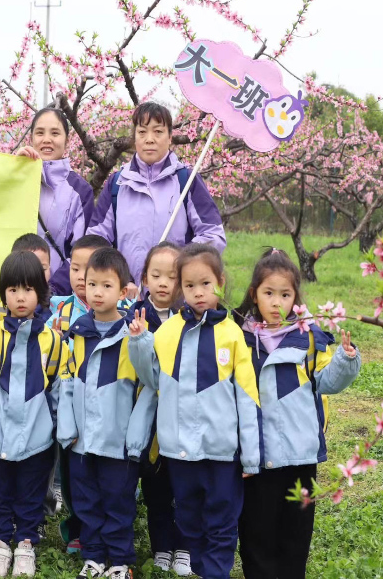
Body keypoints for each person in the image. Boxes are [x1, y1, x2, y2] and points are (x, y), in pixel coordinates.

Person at [128, 243, 260, 579]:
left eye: (206, 284)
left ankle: (215, 572)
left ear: (221, 281)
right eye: (189, 286)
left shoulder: (233, 335)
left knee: (221, 520)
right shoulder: (168, 332)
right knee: (189, 519)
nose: (198, 293)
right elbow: (151, 378)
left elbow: (247, 397)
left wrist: (251, 455)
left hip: (221, 454)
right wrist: (141, 343)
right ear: (179, 288)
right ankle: (202, 569)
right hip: (179, 452)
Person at [233, 248, 360, 579]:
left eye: (285, 294)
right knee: (256, 532)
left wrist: (345, 360)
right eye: (269, 293)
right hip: (257, 460)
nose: (277, 302)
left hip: (300, 456)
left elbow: (326, 382)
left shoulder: (307, 340)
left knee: (296, 533)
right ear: (254, 295)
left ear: (295, 298)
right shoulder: (240, 340)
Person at [0, 251, 70, 578]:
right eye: (13, 289)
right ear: (3, 293)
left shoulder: (54, 341)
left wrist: (59, 429)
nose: (20, 297)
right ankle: (0, 543)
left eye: (28, 289)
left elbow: (60, 389)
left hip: (37, 438)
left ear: (40, 293)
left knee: (31, 492)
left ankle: (26, 543)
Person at [57, 247, 140, 579]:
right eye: (92, 284)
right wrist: (67, 427)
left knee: (118, 503)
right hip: (82, 440)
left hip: (116, 441)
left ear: (123, 292)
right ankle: (94, 557)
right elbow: (65, 382)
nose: (97, 292)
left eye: (106, 286)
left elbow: (147, 381)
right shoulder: (77, 332)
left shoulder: (131, 332)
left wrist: (141, 341)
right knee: (87, 502)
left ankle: (120, 561)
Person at [87, 102, 226, 298]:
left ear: (170, 137)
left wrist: (179, 266)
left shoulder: (186, 180)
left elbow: (213, 235)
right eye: (142, 132)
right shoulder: (117, 183)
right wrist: (118, 279)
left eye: (158, 132)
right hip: (126, 302)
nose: (149, 139)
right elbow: (95, 239)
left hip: (176, 303)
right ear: (134, 138)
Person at [124, 242, 192, 576]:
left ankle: (184, 547)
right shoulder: (135, 317)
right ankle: (161, 546)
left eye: (172, 276)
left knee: (184, 485)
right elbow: (143, 374)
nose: (164, 283)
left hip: (182, 416)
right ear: (145, 278)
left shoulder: (190, 319)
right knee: (154, 486)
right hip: (148, 417)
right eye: (156, 275)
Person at [16, 107, 92, 294]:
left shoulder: (80, 191)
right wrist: (13, 171)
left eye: (55, 133)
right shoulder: (16, 180)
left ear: (67, 140)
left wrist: (53, 289)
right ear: (31, 139)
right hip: (15, 291)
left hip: (58, 296)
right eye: (40, 133)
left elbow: (81, 251)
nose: (47, 139)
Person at [0, 234, 53, 326]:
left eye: (42, 269)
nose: (36, 274)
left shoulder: (58, 309)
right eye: (27, 268)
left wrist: (58, 338)